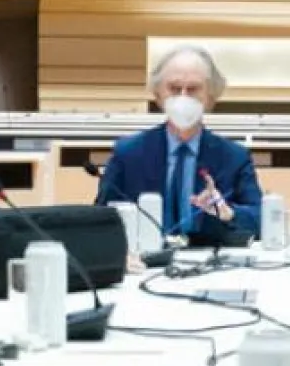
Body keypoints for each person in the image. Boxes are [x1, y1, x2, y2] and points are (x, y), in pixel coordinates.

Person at [93, 45, 261, 245]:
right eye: (174, 89)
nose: (183, 97)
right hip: (145, 263)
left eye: (193, 89)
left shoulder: (234, 157)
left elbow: (262, 219)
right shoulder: (128, 153)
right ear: (158, 96)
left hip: (211, 264)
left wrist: (229, 213)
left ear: (210, 97)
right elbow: (99, 219)